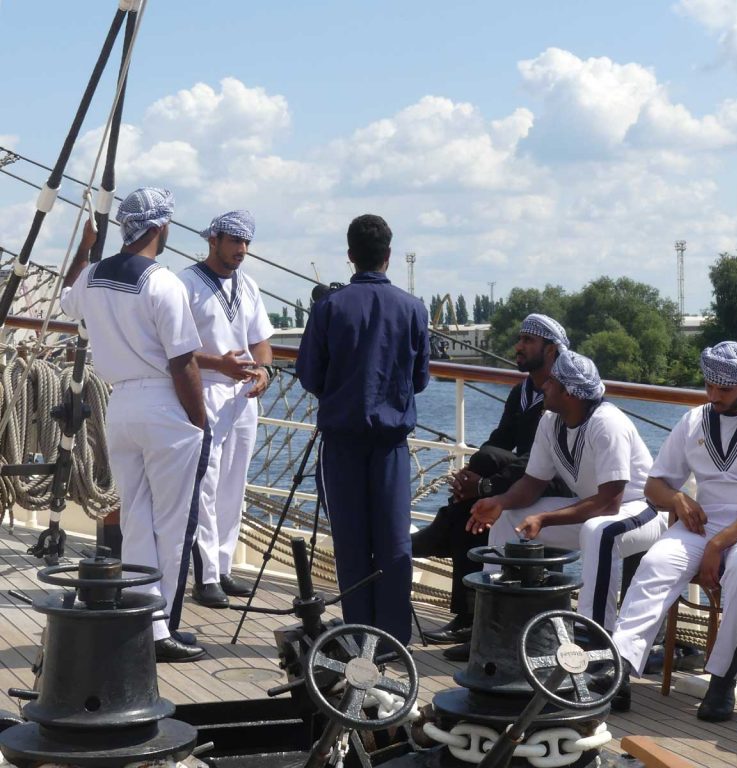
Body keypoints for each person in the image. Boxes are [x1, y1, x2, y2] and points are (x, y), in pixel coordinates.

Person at [61, 188, 209, 663]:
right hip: (164, 405)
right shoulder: (164, 283)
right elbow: (183, 361)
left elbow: (68, 301)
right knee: (173, 522)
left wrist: (86, 246)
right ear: (159, 227)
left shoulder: (95, 276)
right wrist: (199, 421)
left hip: (119, 404)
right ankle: (163, 627)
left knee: (137, 518)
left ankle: (142, 615)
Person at [612, 341, 737, 721]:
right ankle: (619, 670)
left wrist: (719, 543)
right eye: (709, 387)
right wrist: (678, 500)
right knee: (656, 564)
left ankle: (721, 681)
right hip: (703, 523)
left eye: (723, 389)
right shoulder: (694, 420)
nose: (713, 395)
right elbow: (654, 486)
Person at [296, 214, 430, 645]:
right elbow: (421, 379)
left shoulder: (329, 308)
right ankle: (393, 637)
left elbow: (309, 374)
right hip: (391, 441)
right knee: (393, 540)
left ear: (350, 256)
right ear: (389, 256)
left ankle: (359, 633)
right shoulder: (413, 308)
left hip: (343, 440)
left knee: (351, 541)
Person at [467, 350, 667, 638]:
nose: (543, 386)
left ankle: (595, 636)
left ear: (570, 393)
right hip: (592, 508)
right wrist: (499, 502)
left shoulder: (607, 424)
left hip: (641, 510)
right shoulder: (550, 421)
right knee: (508, 518)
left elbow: (611, 502)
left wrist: (545, 519)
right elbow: (532, 482)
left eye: (551, 383)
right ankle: (497, 625)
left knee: (601, 531)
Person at [413, 314, 571, 652]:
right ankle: (470, 619)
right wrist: (471, 475)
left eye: (529, 341)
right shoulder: (523, 393)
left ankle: (469, 614)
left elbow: (542, 462)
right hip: (524, 480)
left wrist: (484, 486)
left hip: (556, 485)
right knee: (481, 473)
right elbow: (500, 441)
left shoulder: (561, 394)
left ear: (552, 350)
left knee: (479, 499)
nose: (518, 346)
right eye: (521, 339)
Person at [179, 210, 274, 608]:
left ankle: (224, 565)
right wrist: (220, 364)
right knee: (206, 484)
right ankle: (206, 575)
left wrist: (265, 369)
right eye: (235, 241)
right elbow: (174, 348)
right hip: (205, 390)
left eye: (246, 243)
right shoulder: (184, 284)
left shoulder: (247, 285)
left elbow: (261, 339)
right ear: (213, 239)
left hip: (242, 397)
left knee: (234, 484)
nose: (242, 250)